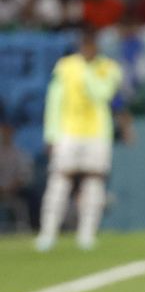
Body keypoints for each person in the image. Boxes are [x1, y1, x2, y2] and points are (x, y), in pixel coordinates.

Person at [35, 28, 122, 251]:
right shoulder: (65, 67)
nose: (88, 48)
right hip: (69, 133)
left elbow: (102, 94)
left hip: (96, 133)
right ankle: (48, 233)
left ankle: (87, 234)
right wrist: (51, 134)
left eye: (92, 45)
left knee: (94, 182)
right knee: (59, 181)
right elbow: (55, 101)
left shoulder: (108, 68)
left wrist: (87, 71)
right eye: (85, 44)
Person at [0, 122, 34, 231]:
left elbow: (24, 176)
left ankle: (24, 227)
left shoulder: (20, 154)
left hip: (15, 190)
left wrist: (10, 187)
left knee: (30, 197)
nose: (4, 136)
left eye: (7, 134)